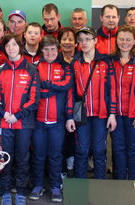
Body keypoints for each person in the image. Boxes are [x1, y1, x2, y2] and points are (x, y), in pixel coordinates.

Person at [29, 35, 74, 203]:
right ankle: (38, 185)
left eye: (53, 49)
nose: (49, 53)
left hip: (57, 121)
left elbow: (67, 88)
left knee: (56, 155)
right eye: (46, 49)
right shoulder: (34, 67)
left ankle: (55, 186)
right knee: (39, 155)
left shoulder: (66, 67)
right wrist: (54, 89)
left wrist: (46, 85)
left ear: (58, 50)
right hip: (38, 121)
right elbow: (34, 92)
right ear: (41, 50)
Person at [0, 33, 39, 205]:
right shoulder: (0, 70)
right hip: (5, 122)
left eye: (14, 45)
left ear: (20, 46)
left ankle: (21, 191)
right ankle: (5, 190)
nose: (11, 49)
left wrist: (17, 115)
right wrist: (4, 114)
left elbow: (34, 99)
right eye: (7, 46)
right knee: (5, 157)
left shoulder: (31, 70)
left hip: (24, 123)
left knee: (22, 158)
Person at [73, 27, 115, 180]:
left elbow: (111, 90)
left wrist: (112, 113)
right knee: (82, 149)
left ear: (95, 40)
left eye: (88, 39)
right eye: (81, 40)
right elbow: (71, 91)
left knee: (98, 149)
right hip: (81, 113)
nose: (84, 43)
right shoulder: (75, 62)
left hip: (100, 113)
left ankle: (100, 183)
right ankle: (79, 184)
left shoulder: (105, 62)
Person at [109, 25, 135, 180]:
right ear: (116, 40)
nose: (124, 42)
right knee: (118, 148)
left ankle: (133, 179)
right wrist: (111, 113)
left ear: (134, 41)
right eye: (121, 39)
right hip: (116, 115)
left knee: (133, 148)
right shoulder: (110, 61)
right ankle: (120, 180)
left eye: (128, 39)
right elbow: (109, 89)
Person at [57, 27, 77, 175]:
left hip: (78, 103)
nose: (67, 42)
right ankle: (62, 170)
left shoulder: (79, 60)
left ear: (76, 43)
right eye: (64, 39)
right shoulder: (55, 60)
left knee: (75, 135)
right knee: (61, 138)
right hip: (59, 103)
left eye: (70, 39)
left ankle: (73, 161)